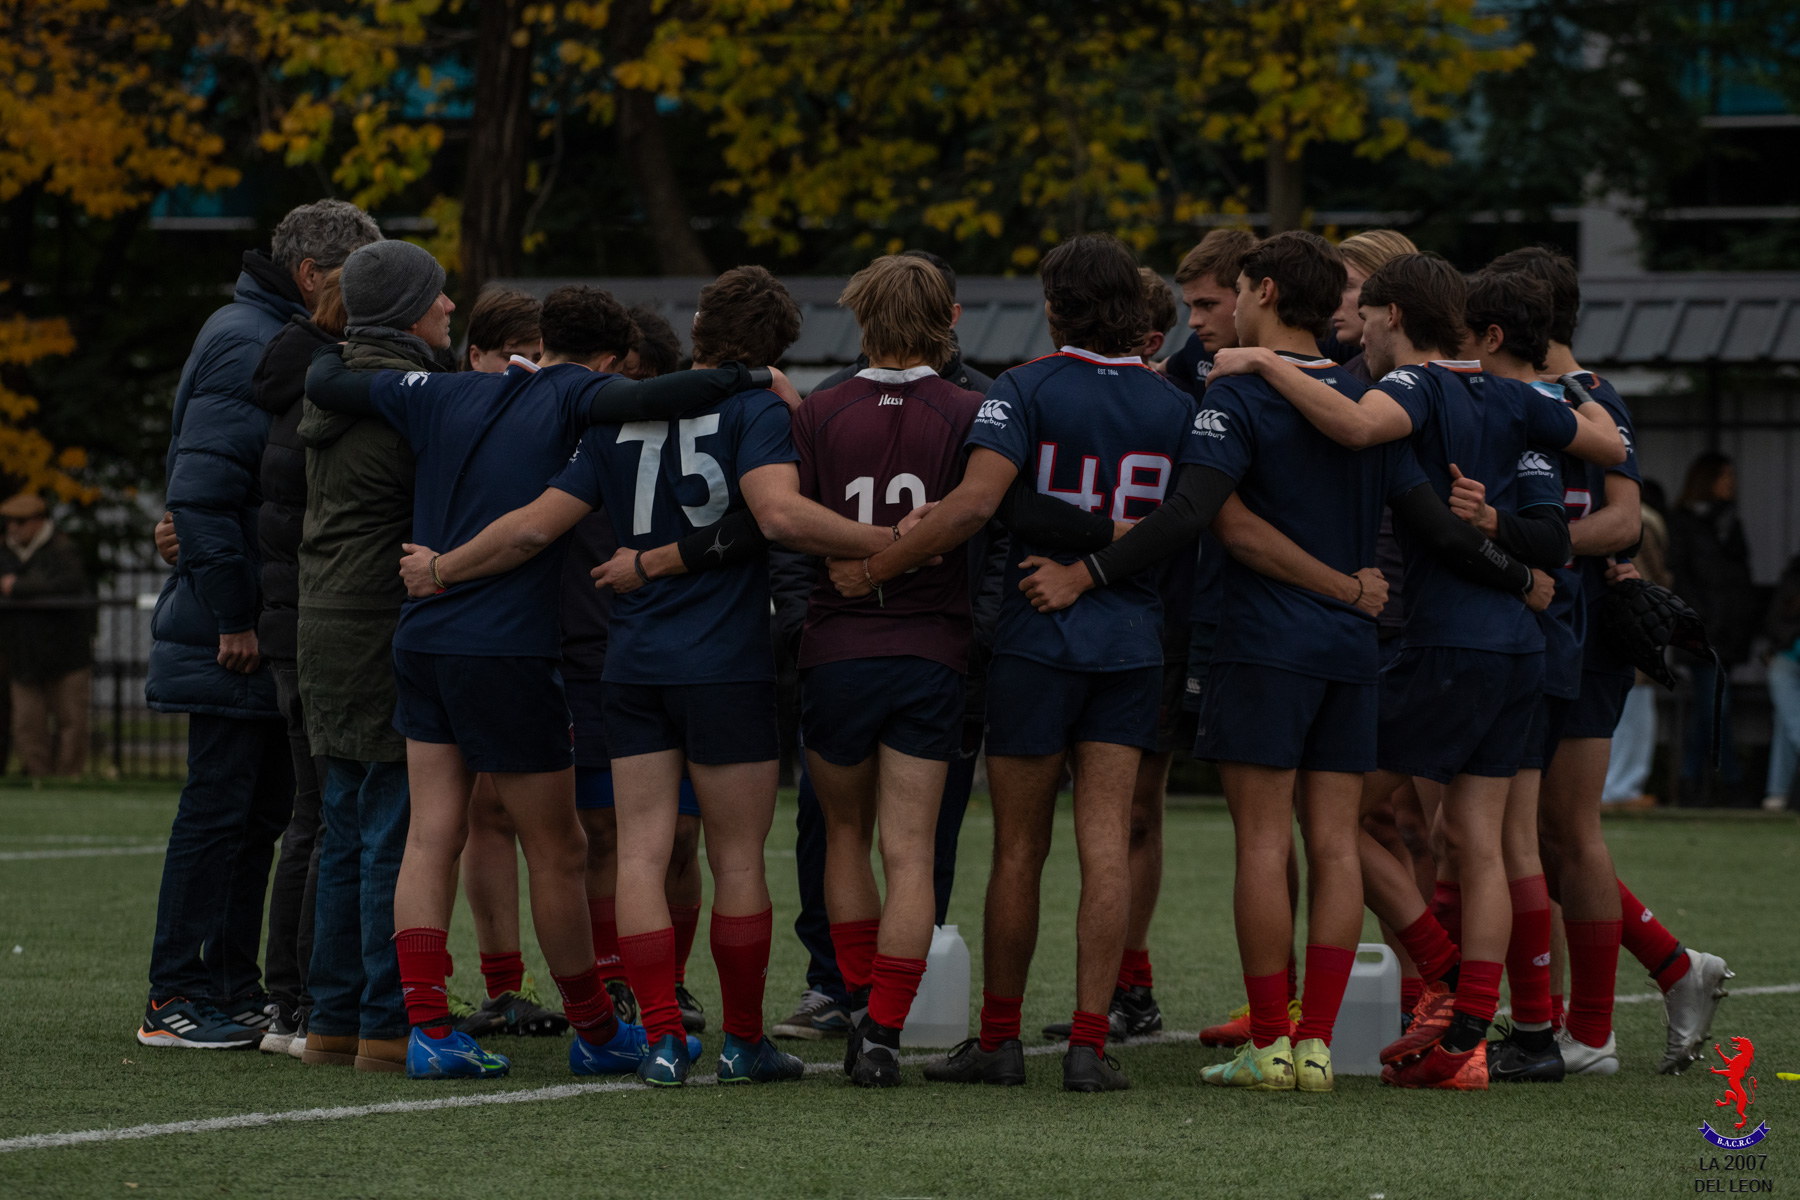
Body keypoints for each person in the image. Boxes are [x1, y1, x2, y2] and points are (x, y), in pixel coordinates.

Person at [832, 234, 1367, 1093]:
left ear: (1053, 307)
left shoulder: (1023, 387)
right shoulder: (1173, 403)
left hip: (1039, 640)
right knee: (1107, 844)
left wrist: (878, 569)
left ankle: (1001, 1041)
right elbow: (1188, 516)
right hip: (1132, 644)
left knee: (1018, 849)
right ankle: (1088, 1044)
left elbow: (991, 503)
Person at [353, 271, 836, 1086]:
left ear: (695, 327)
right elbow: (774, 519)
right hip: (719, 661)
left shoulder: (612, 420)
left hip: (629, 659)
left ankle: (653, 1039)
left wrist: (440, 567)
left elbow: (537, 524)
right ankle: (741, 1040)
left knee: (632, 853)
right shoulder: (758, 409)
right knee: (732, 858)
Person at [1206, 251, 1625, 1089]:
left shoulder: (1414, 387)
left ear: (1395, 316)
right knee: (1481, 838)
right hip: (1521, 648)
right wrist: (1574, 387)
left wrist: (1258, 363)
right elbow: (1608, 444)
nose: (1353, 330)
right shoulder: (1512, 394)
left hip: (1447, 642)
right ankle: (1471, 1034)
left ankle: (1437, 984)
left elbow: (1357, 429)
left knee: (1336, 819)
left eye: (1367, 316)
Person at [140, 199, 381, 1050]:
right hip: (232, 629)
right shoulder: (251, 339)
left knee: (257, 818)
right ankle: (176, 994)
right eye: (363, 274)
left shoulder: (260, 332)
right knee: (221, 810)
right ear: (314, 276)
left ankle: (230, 985)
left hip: (248, 618)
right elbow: (201, 498)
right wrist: (237, 617)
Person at [1491, 246, 1732, 1077]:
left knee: (1562, 831)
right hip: (1545, 627)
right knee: (1539, 834)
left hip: (1579, 634)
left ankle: (1589, 1030)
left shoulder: (1588, 399)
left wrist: (1528, 546)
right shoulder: (1537, 392)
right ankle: (1664, 970)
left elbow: (1623, 522)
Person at [779, 255, 989, 1087]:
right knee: (910, 851)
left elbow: (788, 526)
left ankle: (857, 1001)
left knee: (842, 834)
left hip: (837, 650)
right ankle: (885, 1034)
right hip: (931, 649)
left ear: (860, 321)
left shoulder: (822, 410)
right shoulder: (974, 408)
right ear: (949, 320)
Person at [296, 240, 458, 1073]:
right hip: (374, 616)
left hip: (322, 615)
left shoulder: (335, 380)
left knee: (346, 827)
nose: (452, 309)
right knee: (394, 830)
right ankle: (385, 1023)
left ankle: (332, 1020)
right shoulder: (403, 395)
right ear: (405, 309)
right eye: (438, 296)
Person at [1444, 269, 1582, 1083]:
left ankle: (1529, 1027)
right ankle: (1522, 1023)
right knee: (1472, 838)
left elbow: (1556, 536)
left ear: (1490, 337)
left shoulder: (1528, 412)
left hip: (1512, 646)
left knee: (1503, 840)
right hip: (1512, 638)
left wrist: (1497, 538)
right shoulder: (1534, 407)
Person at [441, 288, 569, 1039]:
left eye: (539, 357)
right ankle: (503, 985)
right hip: (478, 632)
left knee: (575, 828)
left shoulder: (553, 410)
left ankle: (605, 989)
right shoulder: (447, 410)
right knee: (472, 813)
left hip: (548, 632)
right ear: (475, 358)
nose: (525, 371)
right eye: (511, 356)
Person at [245, 267, 349, 1053]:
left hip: (292, 624)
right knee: (330, 817)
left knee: (309, 819)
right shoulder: (333, 393)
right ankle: (313, 998)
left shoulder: (288, 383)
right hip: (324, 625)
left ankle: (291, 1001)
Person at [1668, 451, 1755, 799]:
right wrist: (1701, 617)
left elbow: (1739, 578)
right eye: (1724, 477)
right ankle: (1731, 781)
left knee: (1709, 707)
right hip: (1702, 630)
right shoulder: (1683, 523)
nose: (1731, 484)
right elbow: (1681, 577)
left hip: (1728, 630)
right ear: (1707, 480)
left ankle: (1691, 782)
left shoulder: (1730, 523)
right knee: (1717, 706)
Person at [810, 250, 994, 394]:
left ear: (952, 315)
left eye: (924, 306)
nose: (904, 318)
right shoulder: (829, 396)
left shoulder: (985, 402)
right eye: (897, 304)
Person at [0, 493, 93, 777]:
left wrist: (17, 587)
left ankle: (68, 780)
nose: (13, 528)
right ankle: (39, 779)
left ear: (39, 522)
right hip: (22, 656)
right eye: (9, 522)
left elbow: (67, 584)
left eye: (20, 521)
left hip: (66, 655)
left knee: (72, 723)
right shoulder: (5, 552)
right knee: (28, 725)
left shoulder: (63, 550)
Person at [1604, 478, 1667, 809]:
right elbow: (1657, 575)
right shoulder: (1644, 520)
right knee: (1634, 710)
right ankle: (1621, 787)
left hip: (1614, 621)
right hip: (1635, 622)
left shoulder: (1598, 509)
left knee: (1624, 707)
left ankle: (1617, 786)